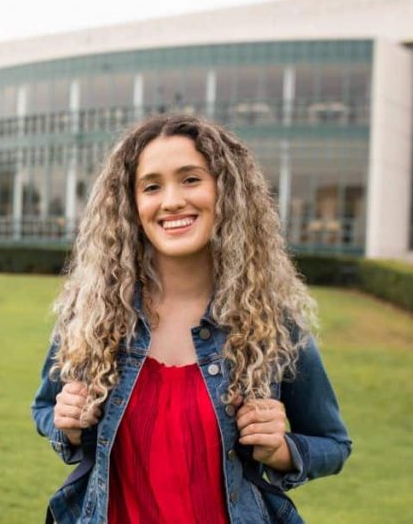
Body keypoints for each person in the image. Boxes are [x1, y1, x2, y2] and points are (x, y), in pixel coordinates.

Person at [31, 115, 352, 523]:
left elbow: (333, 443)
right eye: (151, 186)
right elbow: (45, 407)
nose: (171, 201)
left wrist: (283, 450)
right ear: (131, 204)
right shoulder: (93, 314)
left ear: (226, 190)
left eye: (190, 179)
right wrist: (67, 424)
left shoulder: (271, 323)